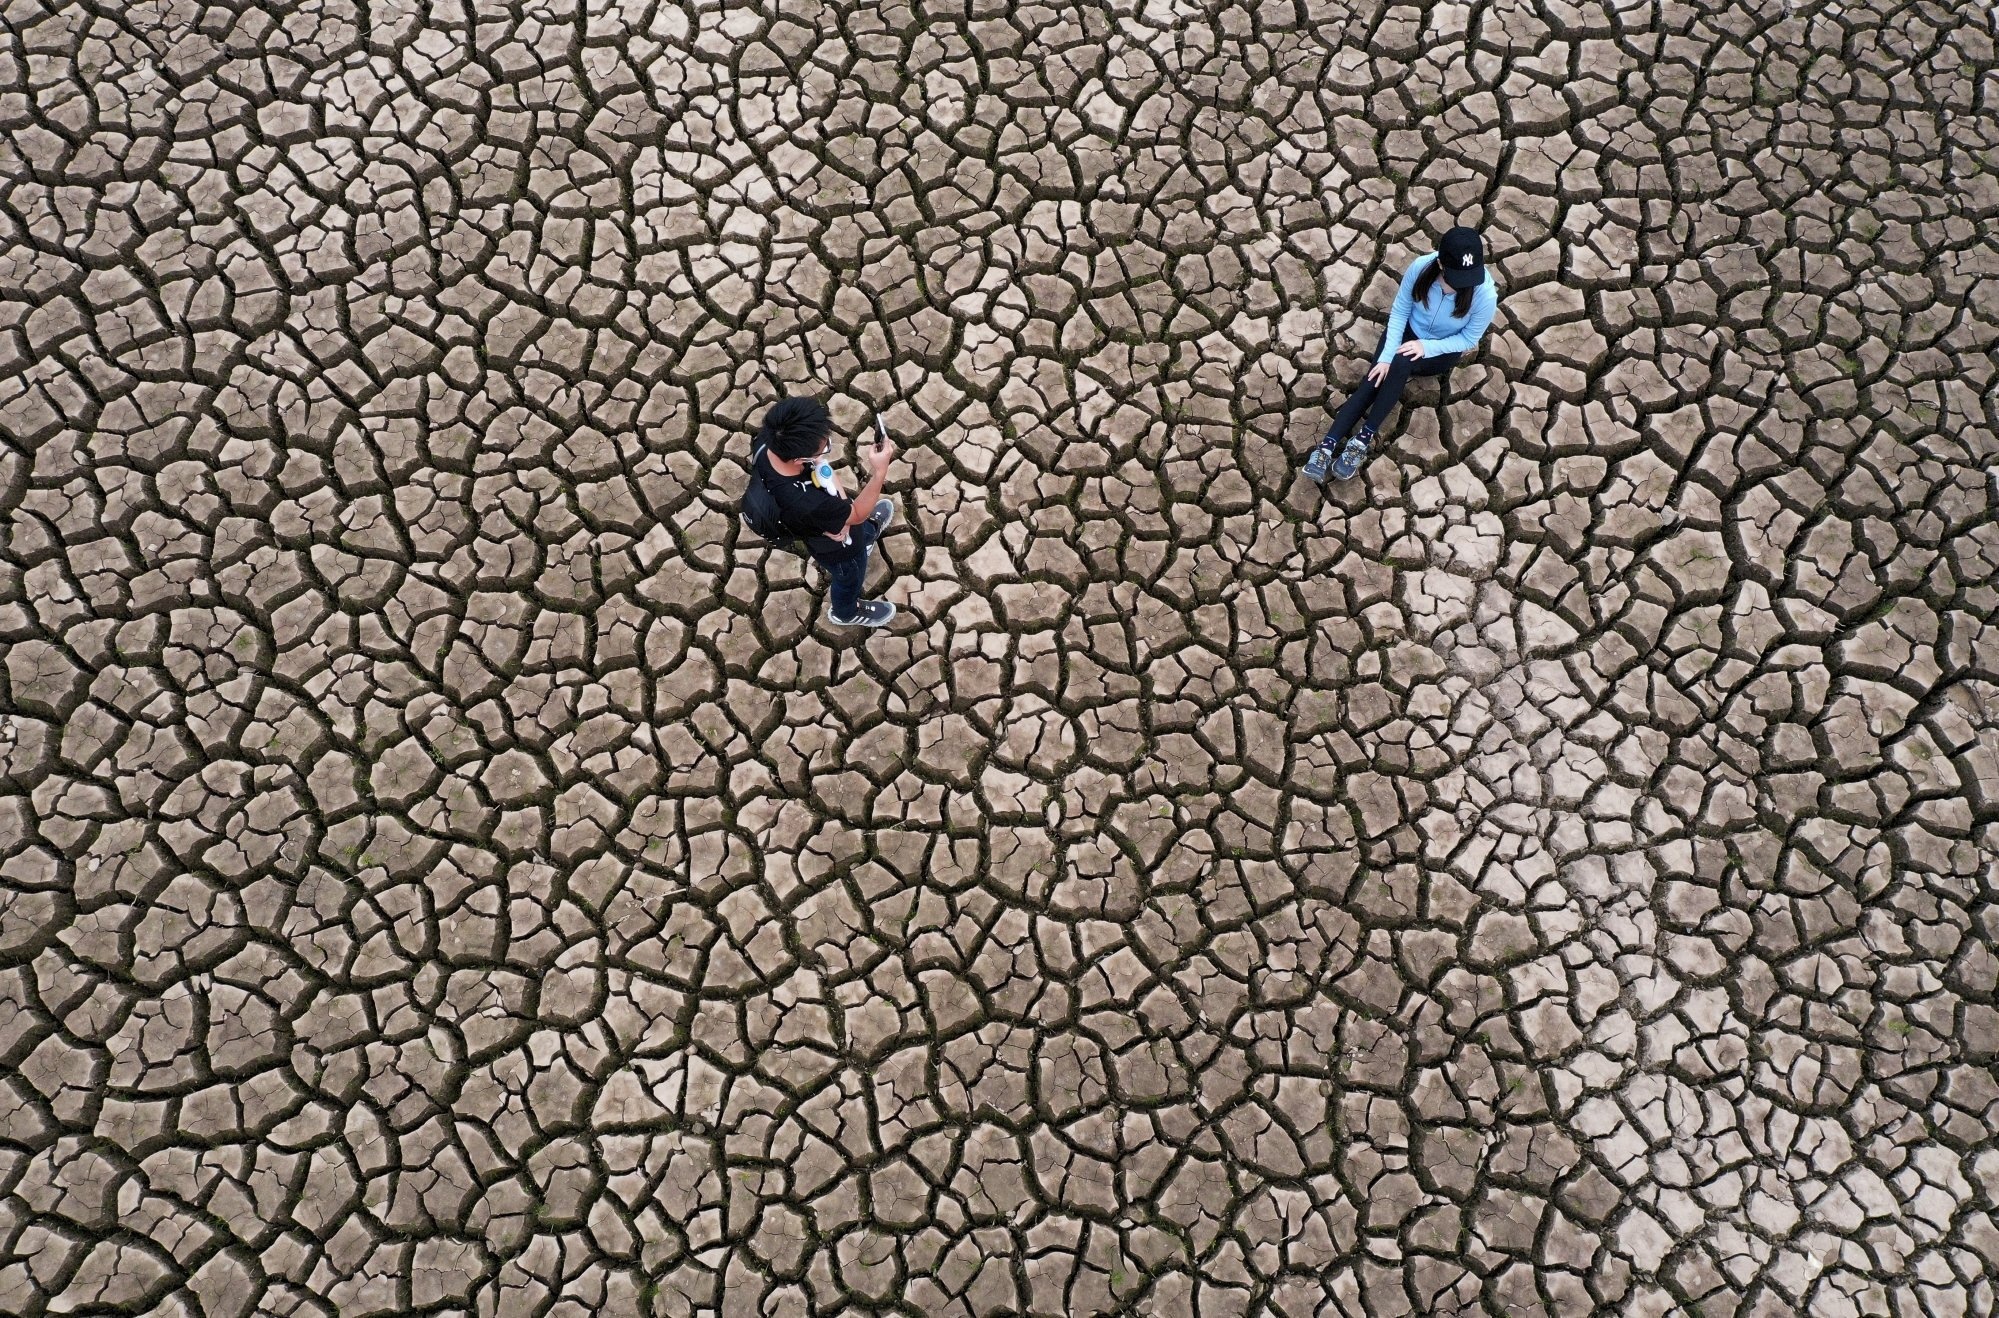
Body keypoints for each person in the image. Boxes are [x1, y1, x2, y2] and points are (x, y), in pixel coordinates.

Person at [1304, 226, 1500, 482]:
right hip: (1406, 332)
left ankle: (1362, 439)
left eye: (1469, 278)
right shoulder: (1421, 268)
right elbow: (1400, 312)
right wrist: (1385, 357)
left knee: (1402, 362)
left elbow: (1468, 338)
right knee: (1376, 376)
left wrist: (1425, 347)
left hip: (1440, 351)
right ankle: (1326, 447)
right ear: (1441, 264)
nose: (1463, 286)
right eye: (1456, 279)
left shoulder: (1485, 294)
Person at [749, 396, 899, 628]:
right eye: (823, 446)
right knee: (850, 576)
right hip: (837, 549)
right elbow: (855, 513)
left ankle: (867, 533)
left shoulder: (766, 442)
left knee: (857, 528)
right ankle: (845, 612)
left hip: (810, 521)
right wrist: (880, 471)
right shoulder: (808, 501)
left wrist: (819, 462)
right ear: (798, 459)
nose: (825, 446)